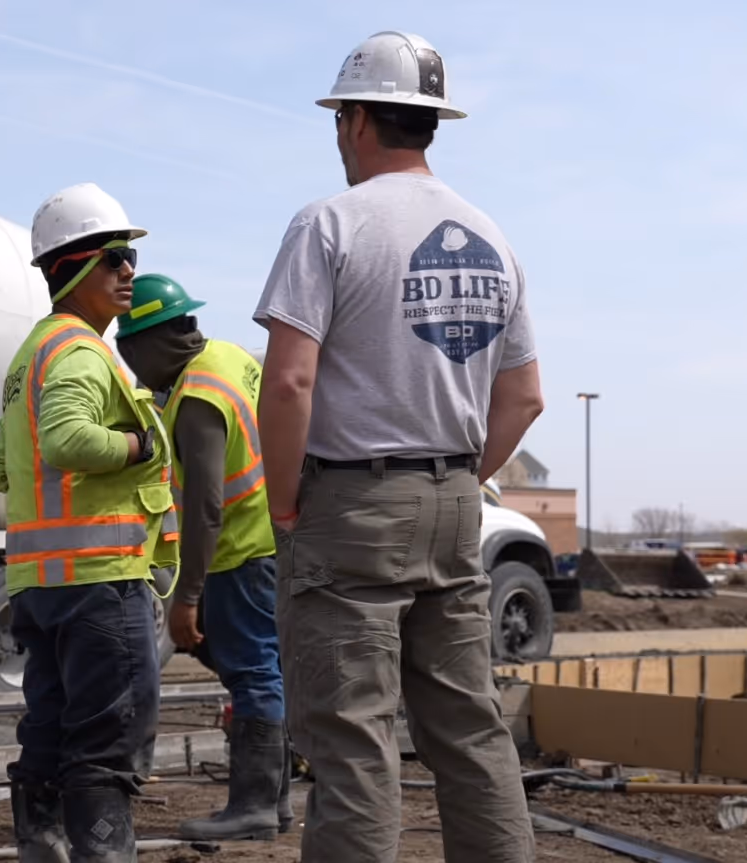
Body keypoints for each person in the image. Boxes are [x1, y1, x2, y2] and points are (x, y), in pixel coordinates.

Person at [251, 31, 545, 863]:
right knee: (469, 728)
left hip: (350, 504)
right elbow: (524, 397)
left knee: (353, 739)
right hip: (457, 505)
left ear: (352, 120)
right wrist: (454, 481)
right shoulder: (491, 238)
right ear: (429, 122)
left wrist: (283, 498)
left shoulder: (329, 224)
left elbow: (288, 385)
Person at [0, 182, 178, 862]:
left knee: (50, 725)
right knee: (109, 735)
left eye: (128, 257)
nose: (130, 271)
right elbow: (68, 441)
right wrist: (141, 444)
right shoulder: (78, 351)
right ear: (71, 268)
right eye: (115, 258)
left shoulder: (29, 357)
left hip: (42, 582)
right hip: (99, 579)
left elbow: (3, 466)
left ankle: (41, 841)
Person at [114, 274, 291, 840]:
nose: (134, 369)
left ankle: (255, 806)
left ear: (150, 342)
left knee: (254, 673)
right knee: (260, 666)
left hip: (239, 552)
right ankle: (275, 803)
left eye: (129, 351)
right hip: (270, 541)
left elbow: (207, 508)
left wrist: (186, 597)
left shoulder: (196, 399)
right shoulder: (229, 358)